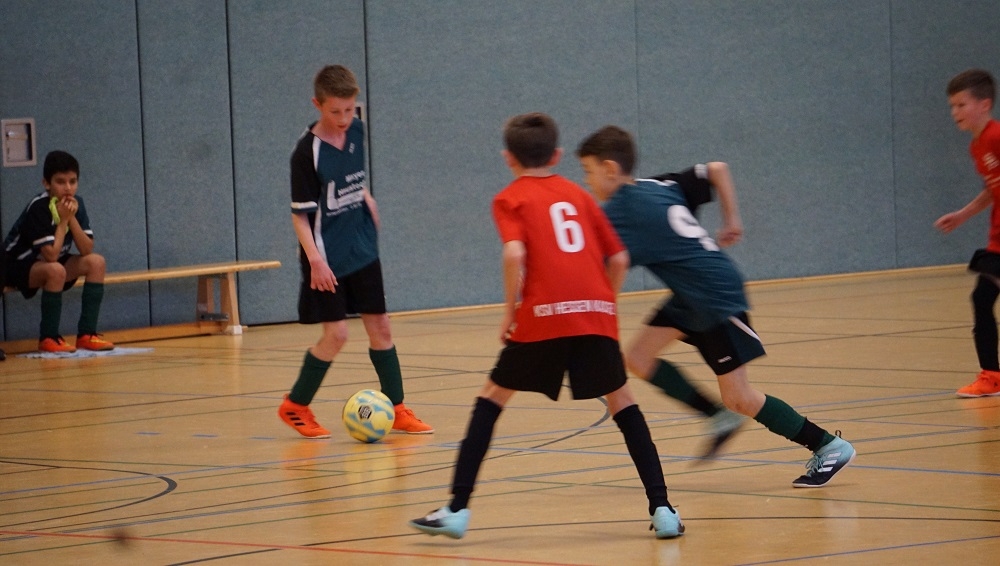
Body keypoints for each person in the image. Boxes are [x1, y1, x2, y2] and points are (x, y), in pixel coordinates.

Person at [409, 113, 683, 540]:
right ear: (556, 155)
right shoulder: (580, 195)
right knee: (623, 402)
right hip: (594, 315)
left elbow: (514, 254)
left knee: (492, 398)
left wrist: (509, 311)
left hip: (543, 315)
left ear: (508, 158)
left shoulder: (510, 198)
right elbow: (619, 259)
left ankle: (457, 509)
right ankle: (663, 509)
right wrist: (602, 305)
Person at [576, 125, 856, 488]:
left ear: (611, 169)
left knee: (739, 397)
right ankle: (716, 416)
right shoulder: (659, 185)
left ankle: (828, 445)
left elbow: (604, 265)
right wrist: (732, 219)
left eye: (588, 171)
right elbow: (717, 169)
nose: (586, 181)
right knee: (639, 357)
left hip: (715, 297)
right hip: (691, 296)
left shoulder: (619, 211)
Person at [278, 64, 433, 438]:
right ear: (317, 104)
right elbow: (300, 216)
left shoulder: (357, 131)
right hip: (325, 257)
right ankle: (295, 405)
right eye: (335, 111)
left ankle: (397, 408)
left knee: (381, 327)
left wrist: (365, 195)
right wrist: (315, 261)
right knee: (338, 335)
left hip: (361, 246)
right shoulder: (306, 154)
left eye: (349, 109)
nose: (344, 118)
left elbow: (350, 176)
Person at [2, 150, 115, 353]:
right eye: (61, 182)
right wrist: (63, 221)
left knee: (96, 262)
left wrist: (71, 217)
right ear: (47, 183)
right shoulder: (38, 207)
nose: (68, 188)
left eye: (73, 181)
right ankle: (49, 337)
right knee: (55, 269)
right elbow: (51, 255)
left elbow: (86, 248)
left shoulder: (76, 204)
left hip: (46, 263)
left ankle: (87, 334)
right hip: (13, 265)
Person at [934, 68, 1000, 398]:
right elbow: (992, 189)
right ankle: (991, 376)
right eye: (952, 106)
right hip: (997, 237)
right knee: (982, 298)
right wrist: (963, 215)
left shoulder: (996, 137)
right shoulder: (978, 146)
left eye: (961, 105)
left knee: (982, 297)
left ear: (984, 104)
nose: (955, 112)